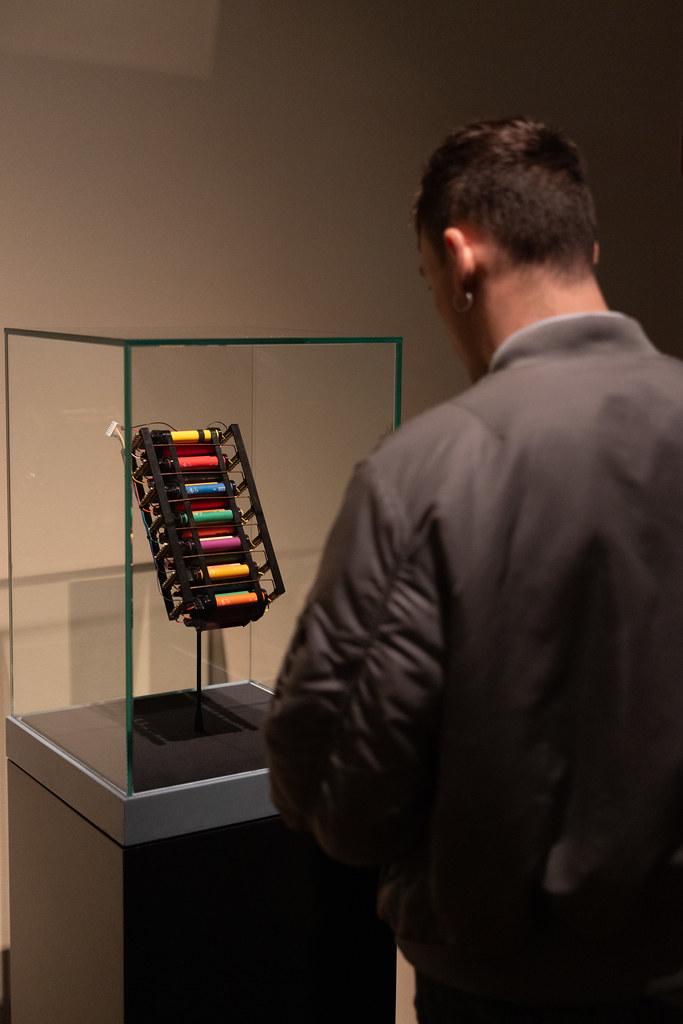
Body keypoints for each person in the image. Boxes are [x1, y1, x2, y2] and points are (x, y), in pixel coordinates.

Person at [264, 117, 683, 1022]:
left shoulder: (424, 471)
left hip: (500, 984)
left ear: (458, 260)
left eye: (426, 279)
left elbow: (337, 785)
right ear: (586, 249)